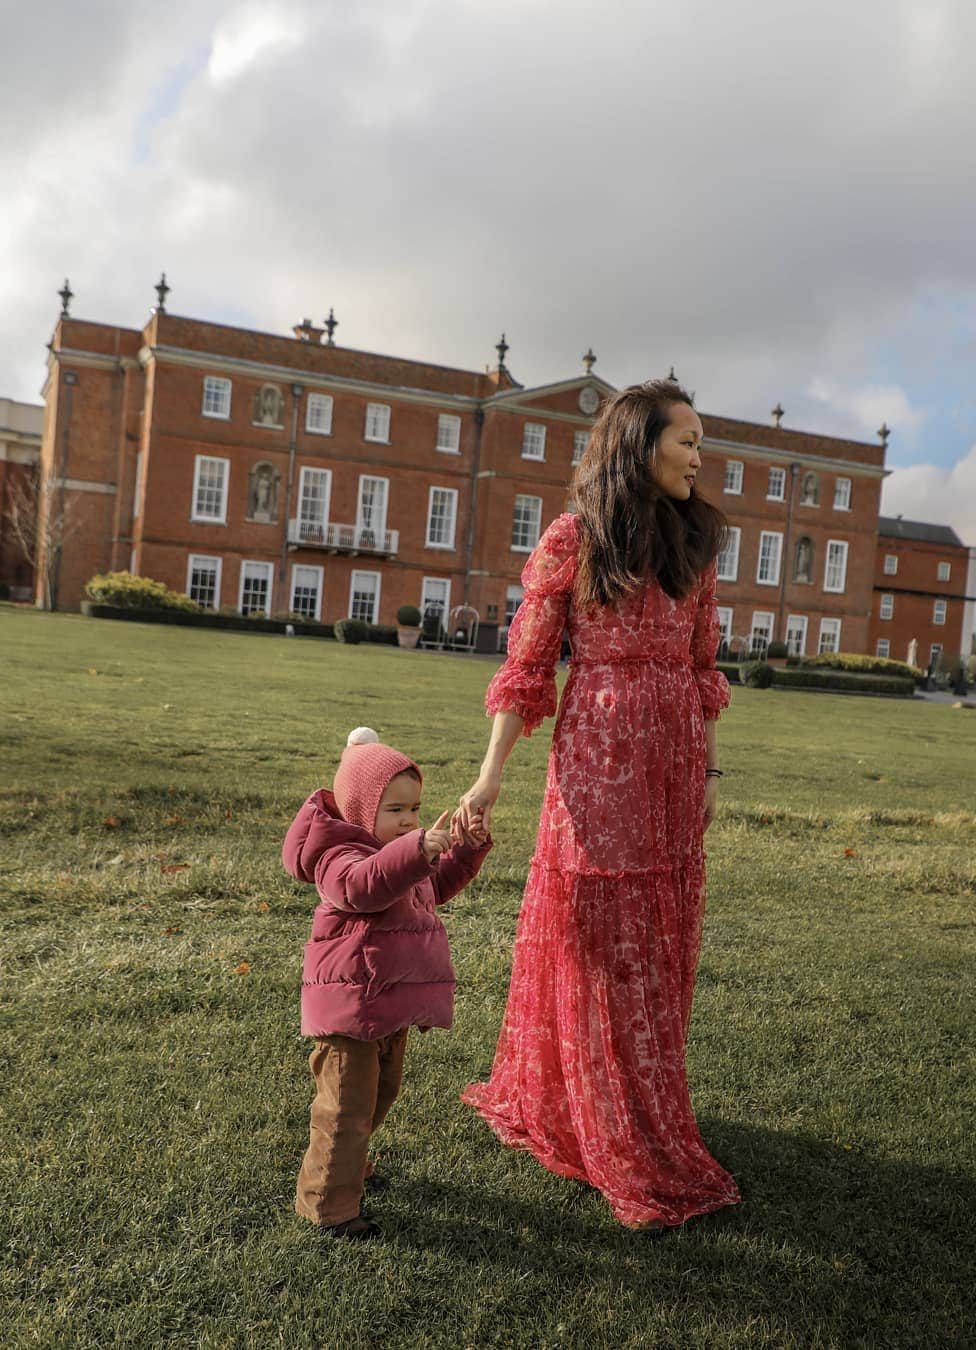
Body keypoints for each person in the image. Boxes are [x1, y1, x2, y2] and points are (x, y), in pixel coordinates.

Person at [458, 378, 740, 1231]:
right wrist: (490, 774)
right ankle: (596, 1116)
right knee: (596, 933)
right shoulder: (573, 539)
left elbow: (701, 669)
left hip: (675, 761)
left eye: (700, 441)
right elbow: (527, 669)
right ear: (638, 445)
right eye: (685, 439)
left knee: (656, 938)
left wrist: (711, 775)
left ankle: (641, 1101)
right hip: (599, 760)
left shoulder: (694, 544)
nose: (699, 455)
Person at [282, 726, 492, 1240]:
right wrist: (415, 848)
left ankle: (346, 1164)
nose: (410, 820)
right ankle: (328, 1205)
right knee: (347, 1106)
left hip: (387, 1006)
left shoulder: (401, 856)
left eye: (415, 809)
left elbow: (433, 887)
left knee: (380, 1095)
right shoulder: (338, 856)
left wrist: (465, 848)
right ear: (360, 809)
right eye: (395, 810)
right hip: (351, 1008)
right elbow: (363, 888)